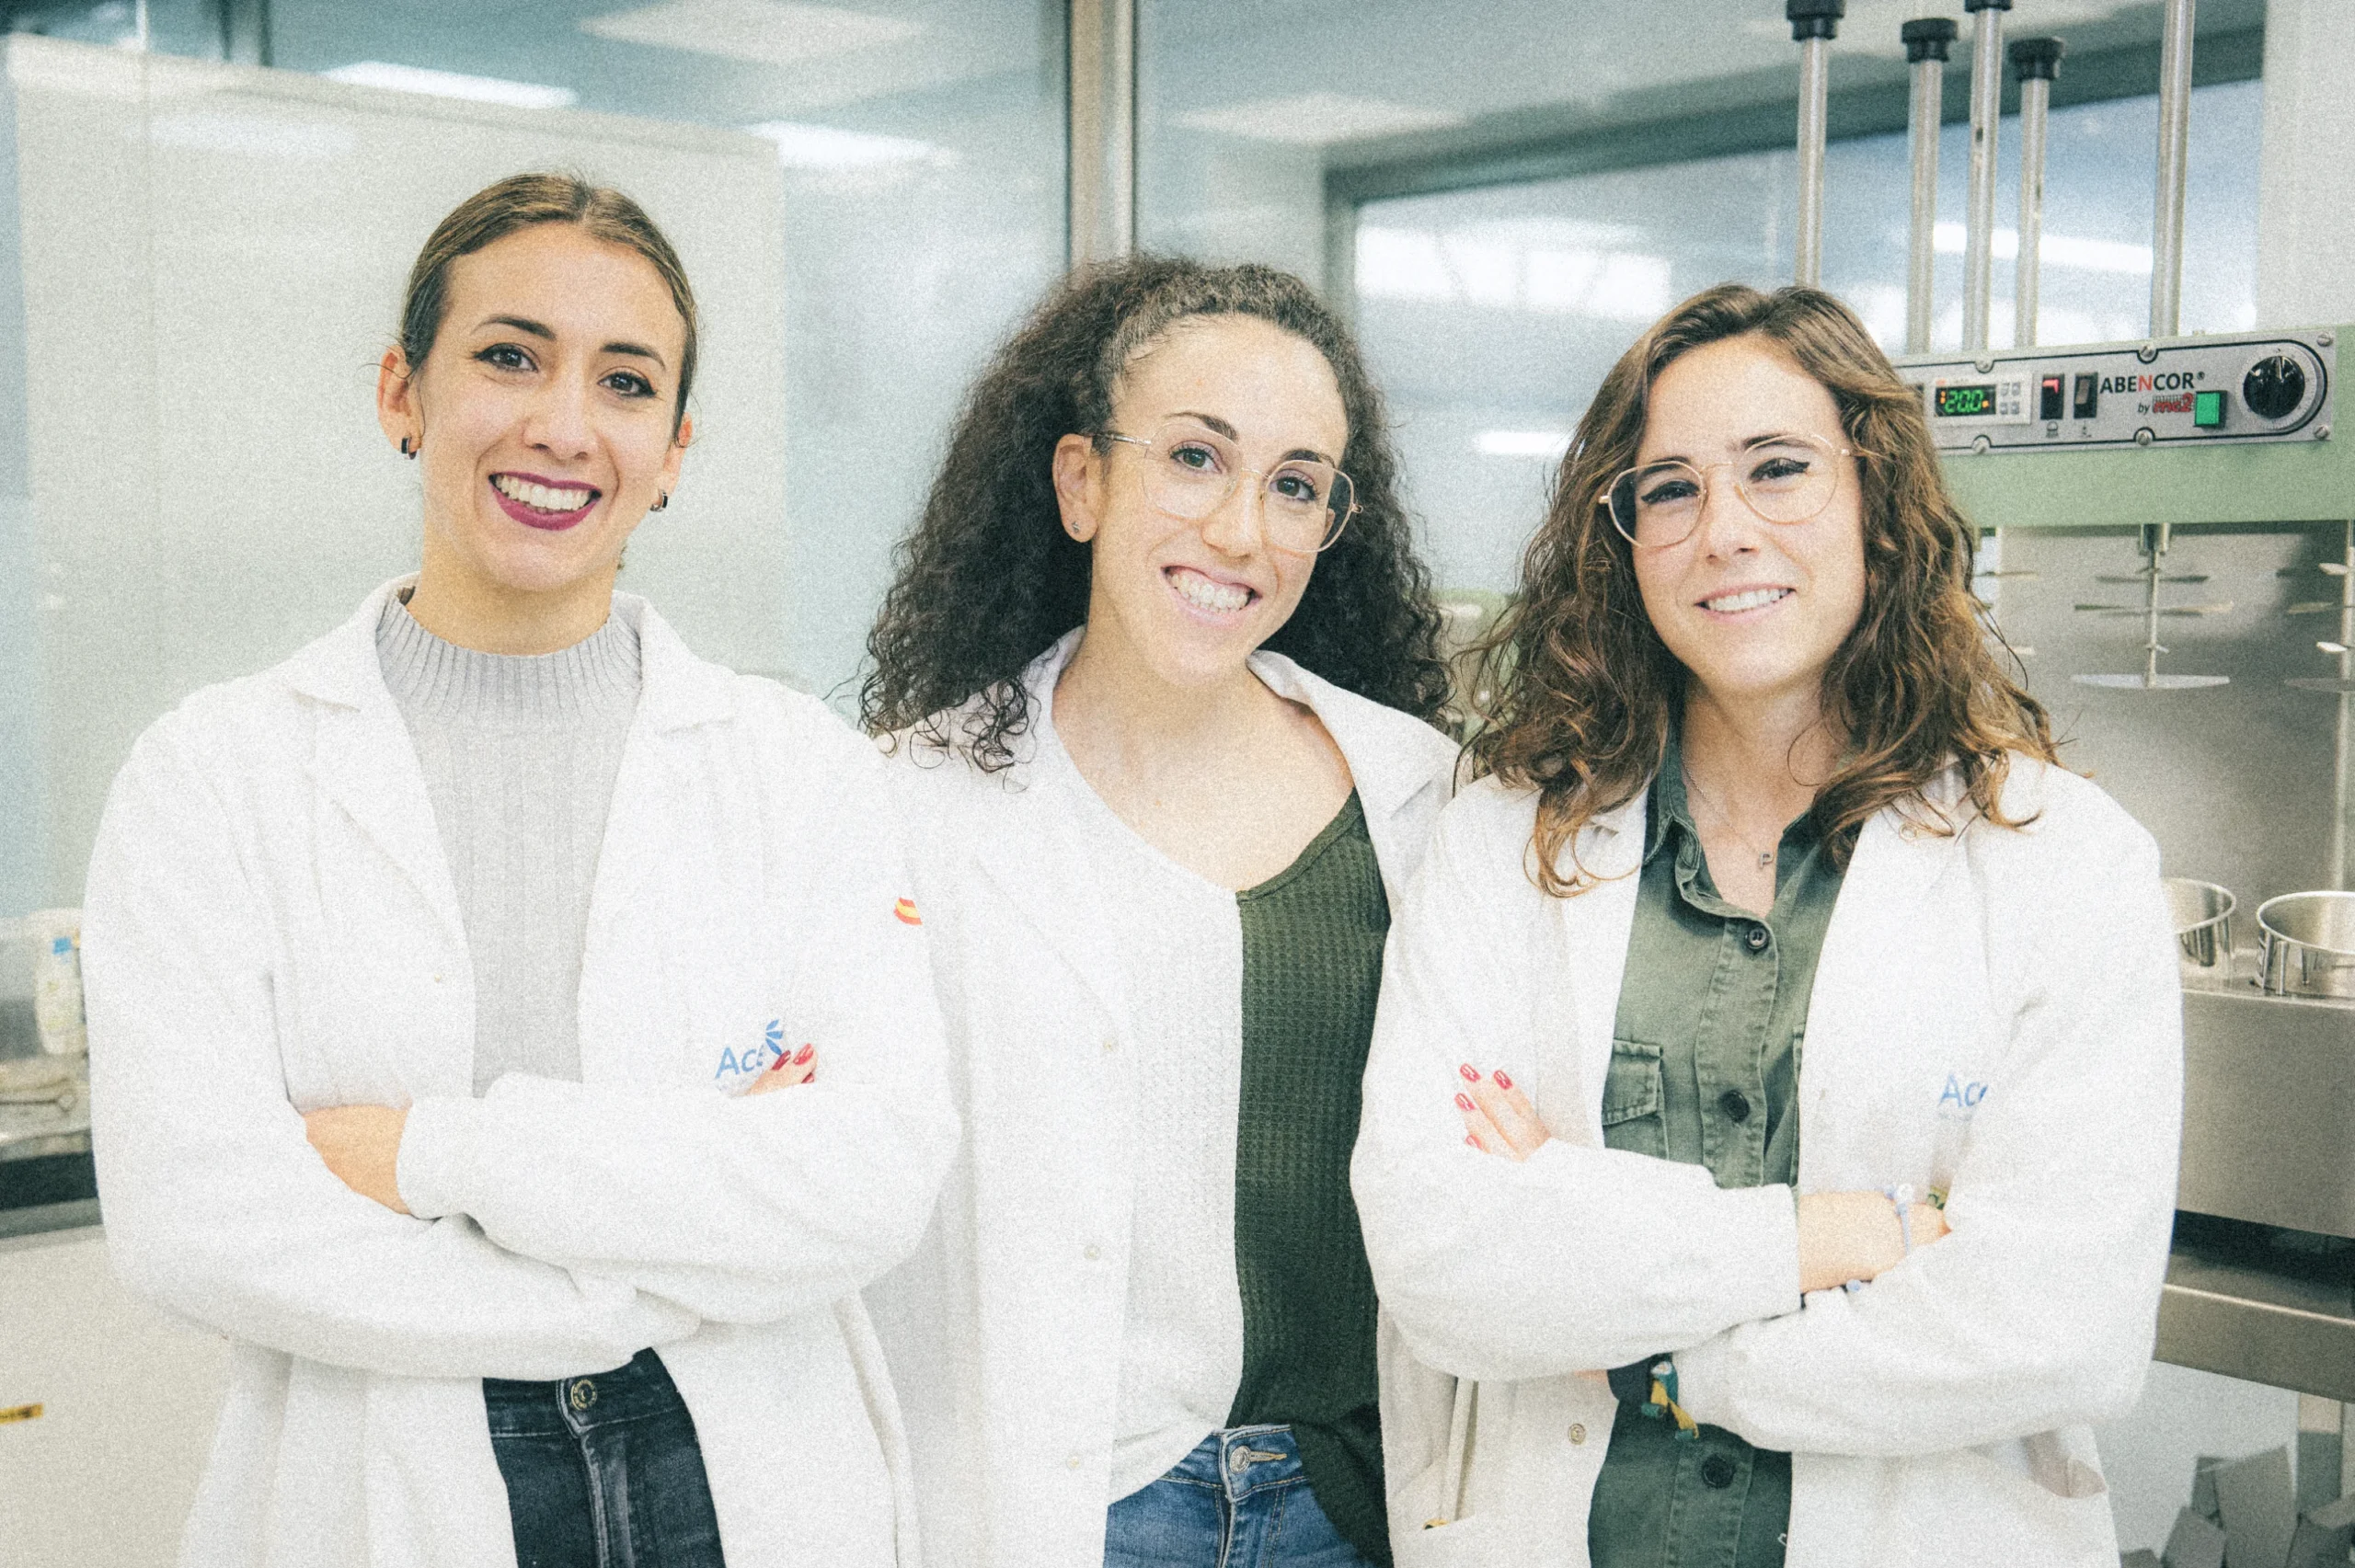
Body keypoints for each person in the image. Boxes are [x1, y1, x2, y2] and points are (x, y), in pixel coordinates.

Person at [82, 173, 954, 1568]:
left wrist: (425, 1152)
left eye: (626, 382)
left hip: (745, 1481)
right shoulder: (213, 776)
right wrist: (633, 1280)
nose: (563, 424)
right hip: (387, 1485)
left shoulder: (798, 770)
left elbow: (870, 1174)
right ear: (402, 394)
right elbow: (195, 1220)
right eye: (508, 356)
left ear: (674, 451)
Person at [1351, 283, 2181, 1568]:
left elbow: (2058, 1328)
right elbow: (1439, 1260)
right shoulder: (1501, 845)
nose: (1724, 531)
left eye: (1778, 469)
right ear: (1622, 539)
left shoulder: (2063, 864)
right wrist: (1843, 1236)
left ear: (1876, 501)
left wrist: (1660, 1357)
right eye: (1670, 489)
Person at [859, 256, 1459, 1568]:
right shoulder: (909, 804)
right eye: (1196, 458)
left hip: (1355, 1503)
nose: (1242, 530)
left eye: (1296, 484)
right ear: (1082, 483)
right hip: (1072, 1504)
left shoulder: (1422, 798)